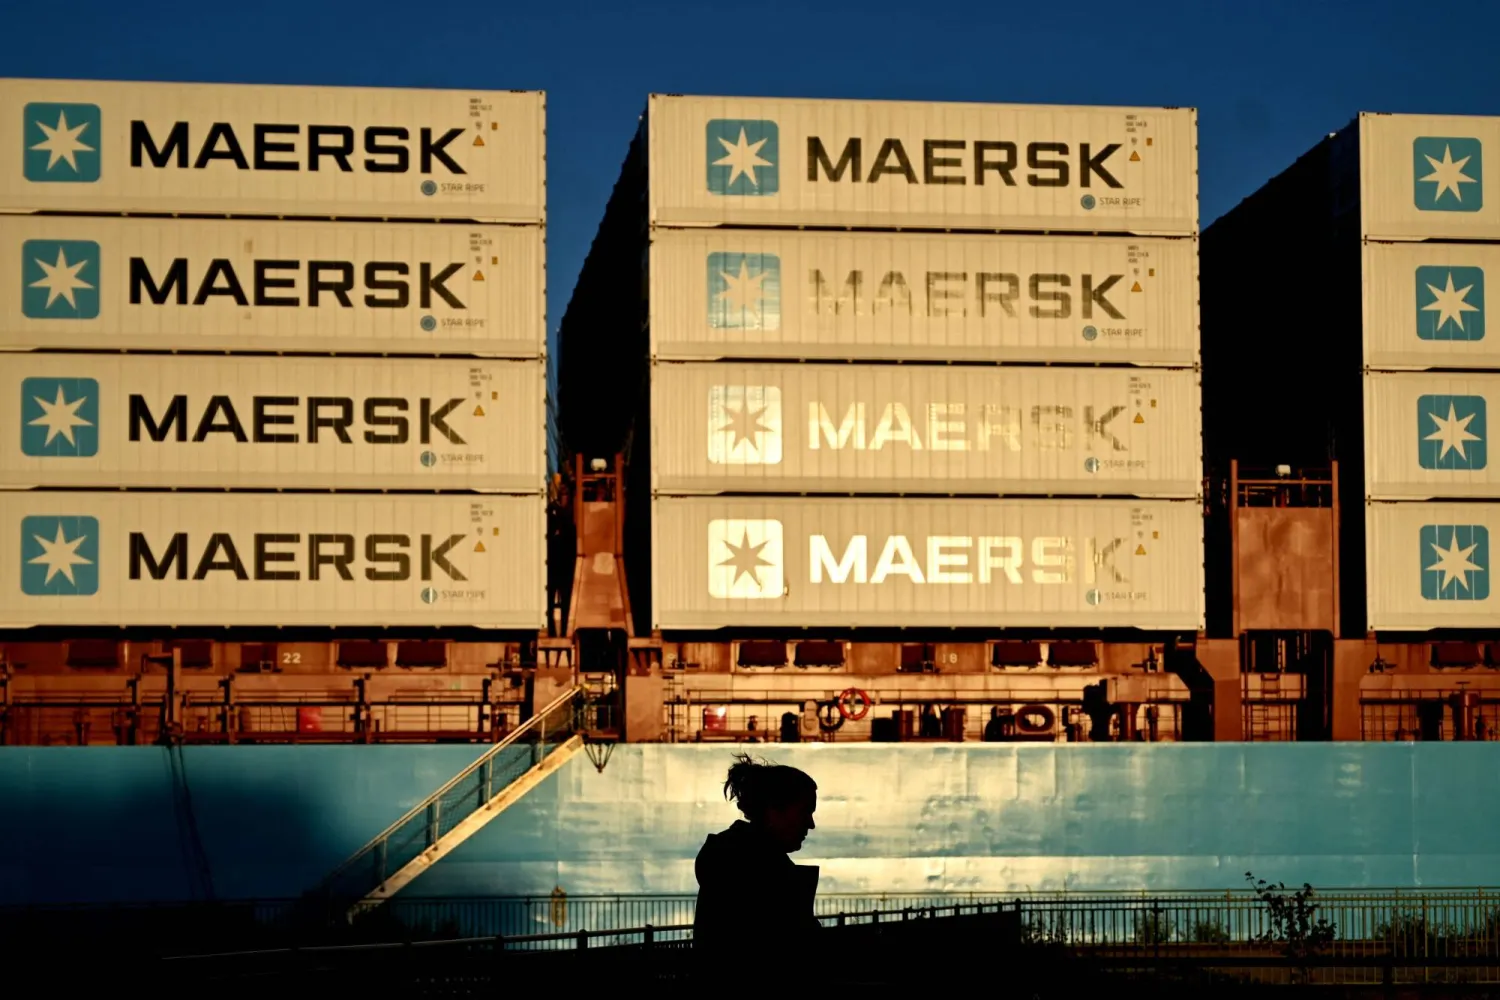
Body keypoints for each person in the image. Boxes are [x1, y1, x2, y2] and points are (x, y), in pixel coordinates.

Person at [692, 753, 820, 973]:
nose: (811, 824)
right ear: (773, 811)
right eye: (804, 812)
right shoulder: (764, 871)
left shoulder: (730, 857)